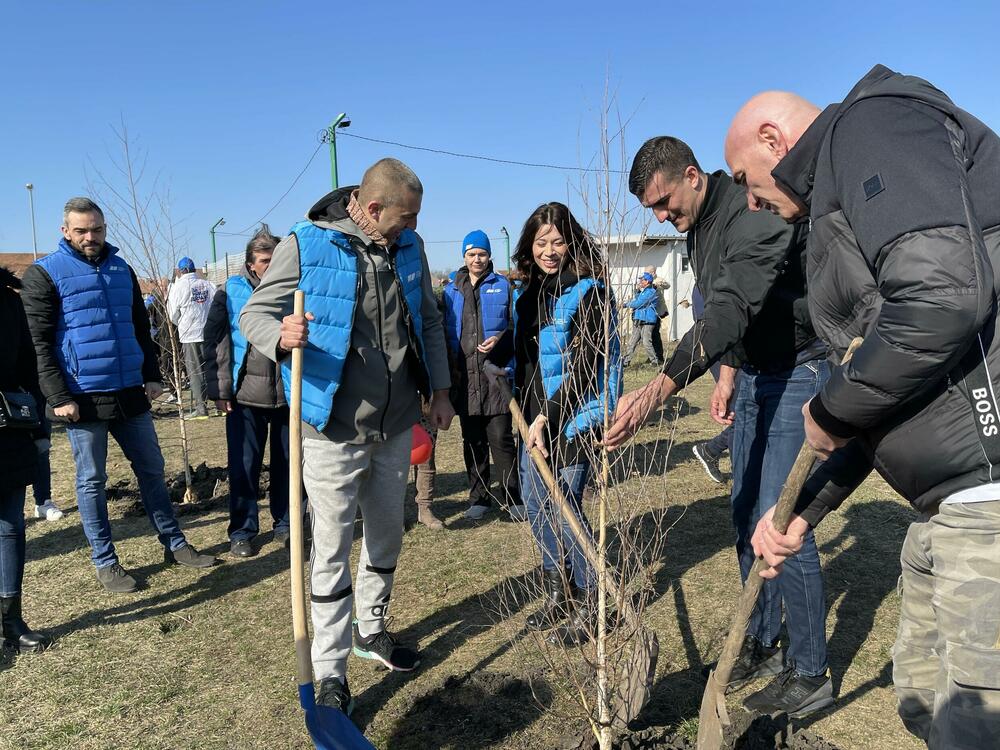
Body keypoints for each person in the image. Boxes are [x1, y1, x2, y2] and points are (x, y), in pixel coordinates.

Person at [725, 65, 1000, 746]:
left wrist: (828, 408)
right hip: (944, 504)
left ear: (773, 139)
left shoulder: (872, 125)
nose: (752, 207)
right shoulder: (839, 197)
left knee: (974, 724)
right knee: (921, 700)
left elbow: (943, 297)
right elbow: (884, 381)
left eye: (747, 184)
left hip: (988, 498)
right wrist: (804, 514)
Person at [604, 136, 832, 716]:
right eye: (651, 210)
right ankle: (759, 638)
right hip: (755, 376)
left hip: (797, 372)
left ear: (692, 174)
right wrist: (728, 375)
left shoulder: (752, 209)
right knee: (742, 515)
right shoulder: (698, 227)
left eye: (663, 201)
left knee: (780, 522)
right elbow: (720, 309)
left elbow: (732, 305)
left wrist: (660, 388)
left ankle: (809, 670)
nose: (660, 216)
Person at [239, 158, 454, 717]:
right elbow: (254, 315)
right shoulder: (306, 244)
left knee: (386, 535)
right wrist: (282, 337)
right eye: (404, 218)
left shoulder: (410, 247)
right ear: (374, 207)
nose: (411, 227)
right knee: (331, 550)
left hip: (397, 422)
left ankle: (370, 628)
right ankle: (331, 670)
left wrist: (442, 389)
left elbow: (428, 321)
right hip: (331, 427)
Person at [20, 197, 218, 594]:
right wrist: (58, 395)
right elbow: (37, 343)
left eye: (96, 229)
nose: (90, 237)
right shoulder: (44, 274)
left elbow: (141, 327)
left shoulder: (121, 269)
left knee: (152, 471)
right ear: (65, 232)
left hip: (130, 392)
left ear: (104, 228)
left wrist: (152, 374)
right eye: (81, 231)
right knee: (92, 481)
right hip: (81, 396)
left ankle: (175, 544)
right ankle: (105, 561)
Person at [487, 202, 622, 645]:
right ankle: (558, 592)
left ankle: (594, 603)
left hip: (575, 413)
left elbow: (586, 366)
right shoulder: (532, 294)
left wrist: (550, 416)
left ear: (572, 243)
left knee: (564, 504)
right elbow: (529, 350)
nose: (549, 250)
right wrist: (500, 345)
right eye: (541, 242)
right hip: (534, 414)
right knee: (534, 500)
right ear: (529, 245)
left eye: (557, 241)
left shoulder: (591, 293)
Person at [203, 225, 291, 558]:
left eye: (276, 259)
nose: (271, 265)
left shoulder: (295, 289)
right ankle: (242, 530)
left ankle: (286, 523)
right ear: (251, 264)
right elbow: (212, 342)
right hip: (244, 397)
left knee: (287, 464)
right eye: (265, 260)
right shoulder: (230, 292)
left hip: (287, 394)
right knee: (244, 466)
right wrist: (220, 388)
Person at [443, 230, 523, 521]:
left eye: (482, 254)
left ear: (490, 256)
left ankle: (513, 498)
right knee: (472, 440)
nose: (477, 259)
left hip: (495, 376)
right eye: (471, 254)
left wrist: (500, 341)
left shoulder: (504, 286)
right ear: (464, 256)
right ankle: (479, 498)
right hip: (465, 379)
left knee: (501, 438)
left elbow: (517, 327)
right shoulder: (451, 290)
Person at [0, 266, 51, 669]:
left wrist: (39, 429)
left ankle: (11, 621)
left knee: (11, 525)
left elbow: (28, 369)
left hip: (7, 433)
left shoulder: (8, 301)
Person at [690, 286, 732, 484]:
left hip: (737, 353)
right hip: (725, 352)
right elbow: (711, 329)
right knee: (743, 412)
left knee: (747, 412)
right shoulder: (707, 285)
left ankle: (711, 450)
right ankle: (712, 450)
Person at [167, 256, 216, 419]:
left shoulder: (179, 287)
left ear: (180, 271)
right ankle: (219, 404)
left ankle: (201, 409)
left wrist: (180, 323)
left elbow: (172, 313)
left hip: (190, 334)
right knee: (212, 368)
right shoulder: (208, 285)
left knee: (195, 372)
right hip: (209, 332)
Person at [621, 273, 662, 367]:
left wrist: (625, 304)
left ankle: (655, 361)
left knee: (646, 342)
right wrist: (637, 292)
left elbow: (639, 303)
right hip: (639, 319)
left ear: (647, 281)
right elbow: (638, 299)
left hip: (648, 321)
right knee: (632, 342)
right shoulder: (644, 291)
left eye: (642, 280)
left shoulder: (651, 292)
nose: (640, 282)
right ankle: (625, 362)